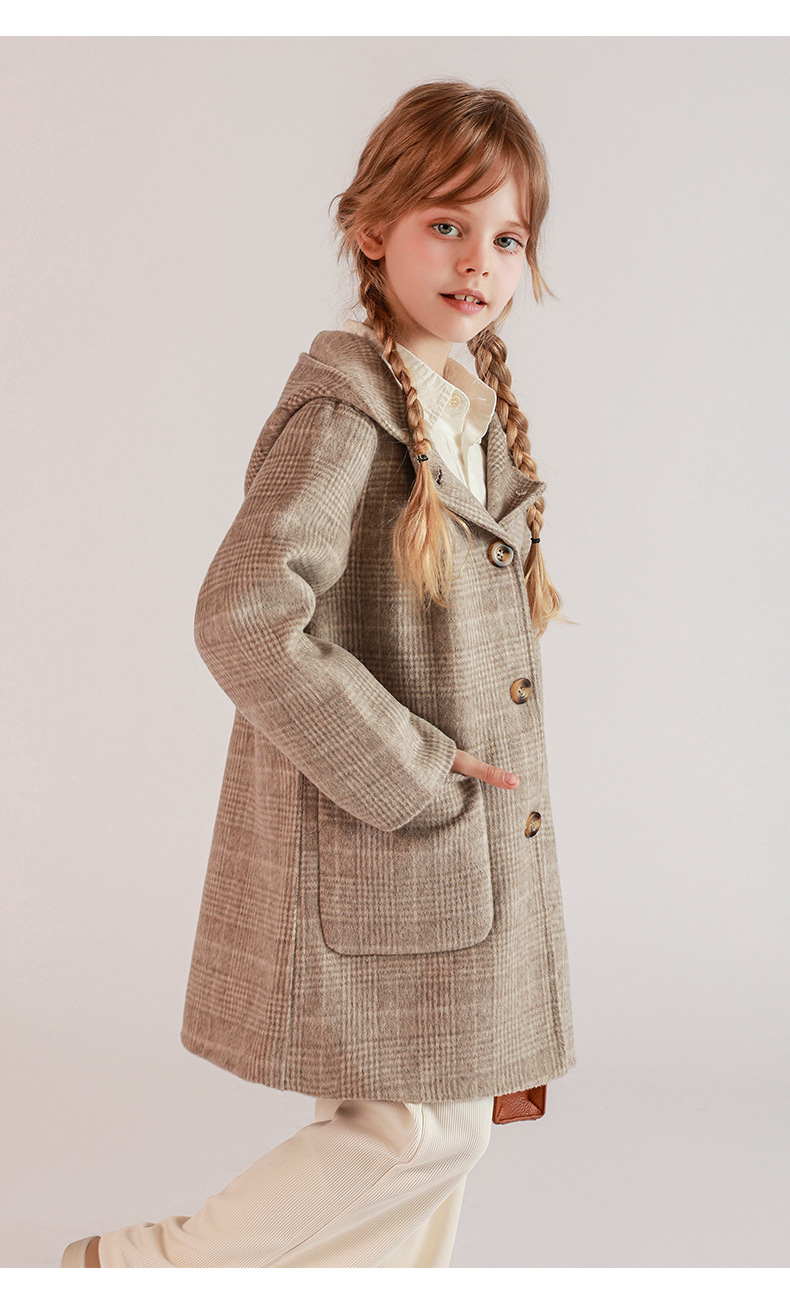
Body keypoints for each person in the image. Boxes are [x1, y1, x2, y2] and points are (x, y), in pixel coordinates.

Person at [61, 78, 576, 1270]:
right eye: (445, 223)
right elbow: (242, 616)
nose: (478, 261)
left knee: (448, 1124)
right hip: (380, 837)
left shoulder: (465, 409)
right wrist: (416, 769)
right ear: (371, 228)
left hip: (448, 857)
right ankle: (137, 1272)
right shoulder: (347, 412)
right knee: (411, 1127)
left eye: (507, 237)